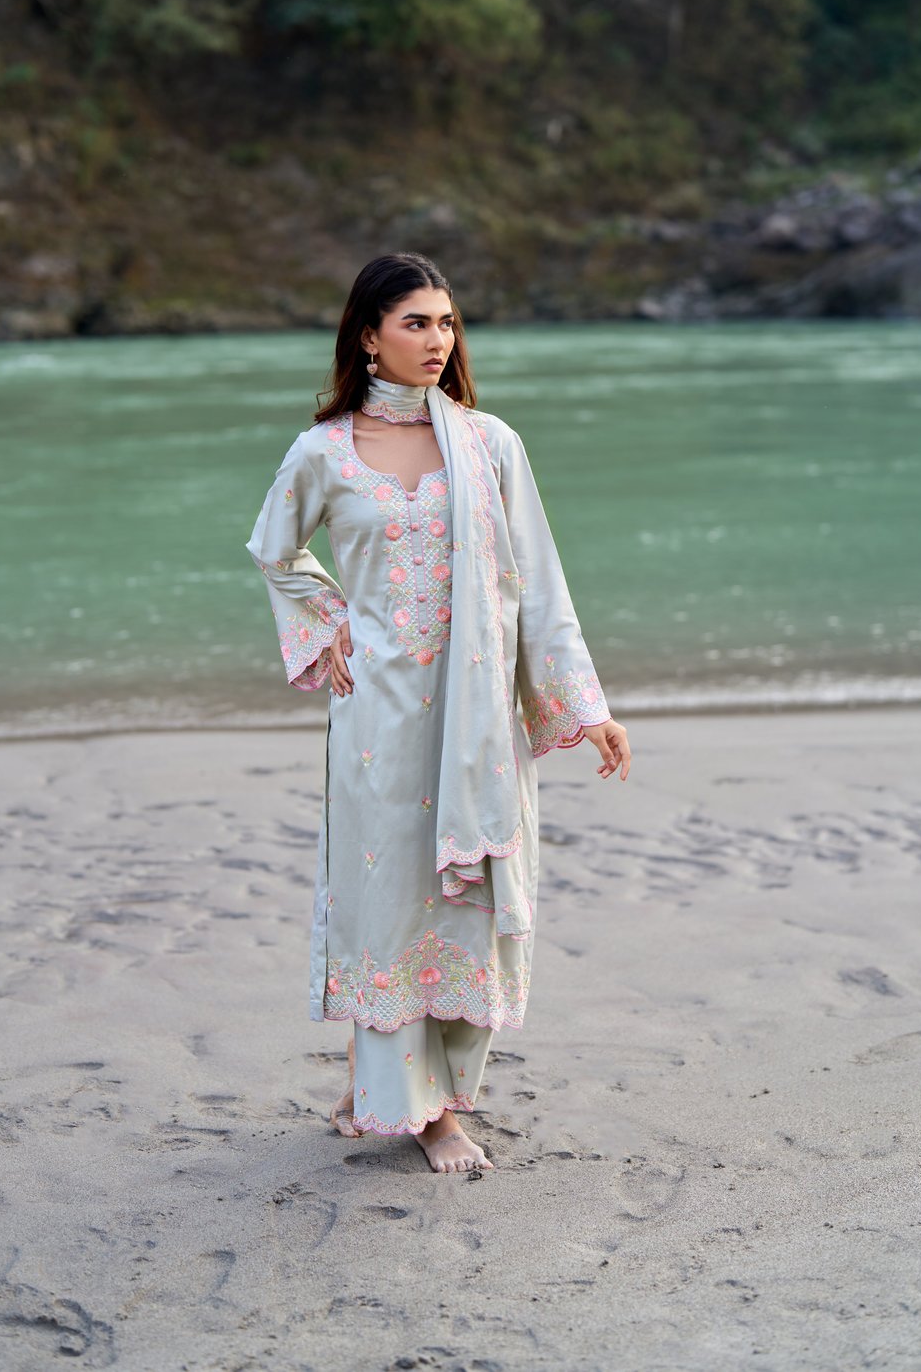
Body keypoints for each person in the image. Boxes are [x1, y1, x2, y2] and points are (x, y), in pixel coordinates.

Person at [246, 252, 631, 1174]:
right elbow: (275, 549)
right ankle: (415, 1107)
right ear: (368, 336)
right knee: (388, 903)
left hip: (479, 722)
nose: (438, 340)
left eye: (447, 322)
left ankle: (424, 1096)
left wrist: (586, 705)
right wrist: (330, 621)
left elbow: (539, 581)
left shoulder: (489, 443)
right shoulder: (324, 451)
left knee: (464, 902)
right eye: (416, 322)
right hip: (378, 720)